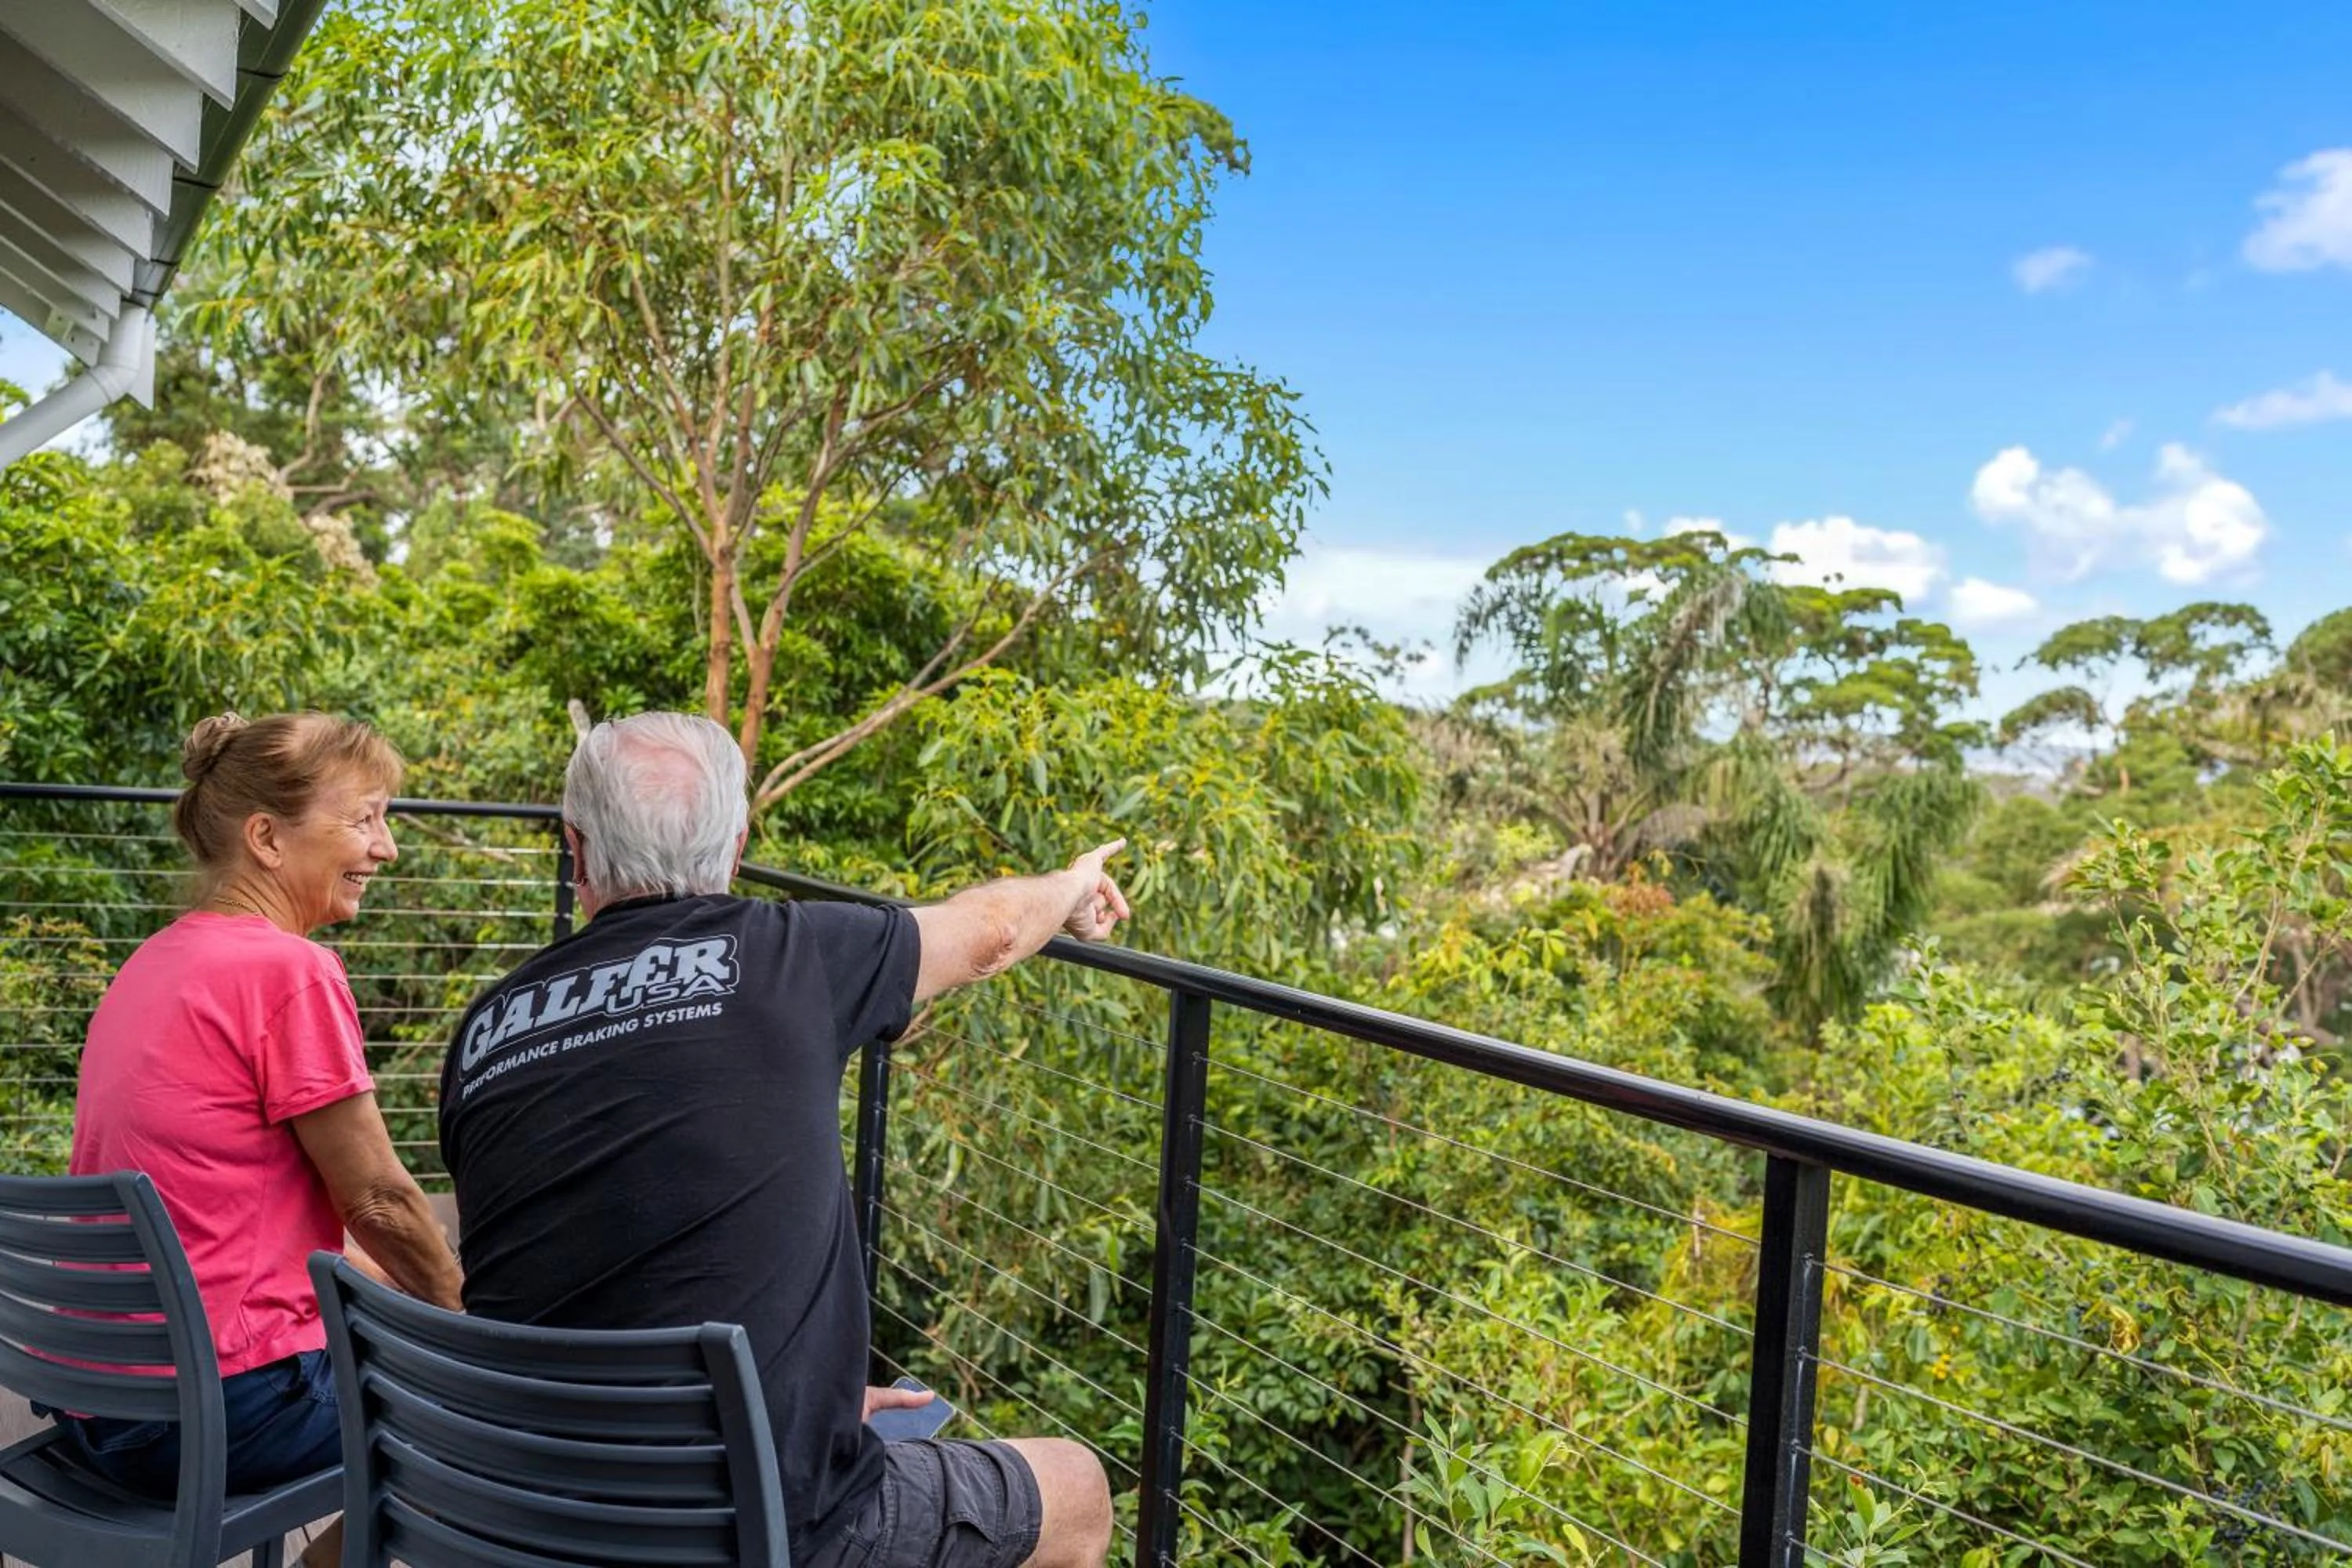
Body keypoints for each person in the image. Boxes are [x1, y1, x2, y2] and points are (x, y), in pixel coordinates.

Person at [438, 712, 1124, 1568]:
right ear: (736, 849)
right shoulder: (794, 954)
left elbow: (588, 1232)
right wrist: (1073, 883)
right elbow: (993, 931)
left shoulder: (486, 1027)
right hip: (751, 1525)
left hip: (525, 1505)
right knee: (1077, 1485)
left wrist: (814, 1398)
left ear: (575, 851)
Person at [64, 713, 463, 1568]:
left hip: (100, 1405)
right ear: (267, 839)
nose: (386, 848)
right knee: (490, 1408)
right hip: (217, 1413)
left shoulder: (151, 964)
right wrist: (471, 1320)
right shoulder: (287, 970)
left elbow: (258, 1220)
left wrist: (411, 1294)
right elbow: (379, 1198)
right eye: (364, 819)